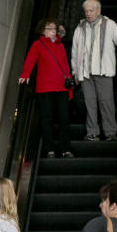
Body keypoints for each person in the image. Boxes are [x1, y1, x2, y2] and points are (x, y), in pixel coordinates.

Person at [70, 0, 117, 141]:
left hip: (103, 71)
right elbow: (75, 51)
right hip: (85, 74)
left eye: (91, 10)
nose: (88, 13)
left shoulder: (109, 24)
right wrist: (75, 72)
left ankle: (110, 133)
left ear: (98, 11)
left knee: (106, 103)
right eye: (86, 11)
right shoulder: (80, 27)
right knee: (90, 104)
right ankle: (92, 133)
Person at [18, 19, 74, 158]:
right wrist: (25, 74)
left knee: (64, 119)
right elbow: (30, 60)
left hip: (62, 87)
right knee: (47, 119)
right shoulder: (38, 45)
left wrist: (70, 88)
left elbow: (66, 67)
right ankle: (50, 149)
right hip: (45, 88)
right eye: (49, 29)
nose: (52, 31)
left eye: (54, 28)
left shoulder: (61, 45)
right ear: (43, 31)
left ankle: (66, 149)